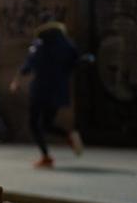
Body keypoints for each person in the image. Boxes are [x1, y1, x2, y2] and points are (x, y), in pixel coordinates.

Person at [9, 19, 84, 168]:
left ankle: (46, 156)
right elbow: (76, 61)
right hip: (59, 91)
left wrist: (16, 80)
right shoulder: (67, 44)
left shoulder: (40, 44)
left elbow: (29, 65)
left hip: (40, 90)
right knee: (47, 123)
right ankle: (68, 135)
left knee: (35, 123)